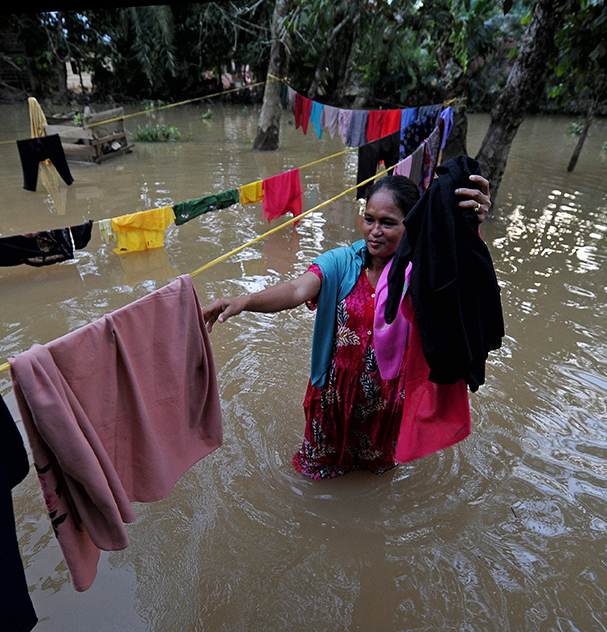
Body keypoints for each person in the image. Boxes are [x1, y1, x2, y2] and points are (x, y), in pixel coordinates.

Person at [202, 173, 491, 479]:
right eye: (369, 219)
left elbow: (462, 281)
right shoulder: (341, 263)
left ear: (412, 224)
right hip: (331, 397)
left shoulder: (421, 273)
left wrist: (471, 225)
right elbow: (297, 289)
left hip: (386, 403)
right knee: (313, 477)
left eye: (388, 223)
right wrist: (245, 301)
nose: (374, 231)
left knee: (375, 480)